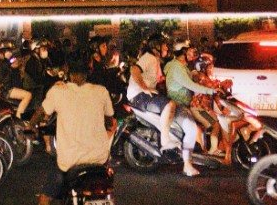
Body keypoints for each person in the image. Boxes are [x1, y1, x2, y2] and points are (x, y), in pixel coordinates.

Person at [30, 53, 115, 205]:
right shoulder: (101, 91)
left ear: (68, 70)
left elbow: (39, 114)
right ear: (89, 71)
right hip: (99, 159)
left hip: (69, 162)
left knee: (45, 197)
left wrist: (31, 126)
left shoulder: (58, 91)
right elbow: (109, 120)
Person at [163, 41, 220, 175]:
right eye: (189, 51)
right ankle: (187, 165)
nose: (191, 54)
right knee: (191, 129)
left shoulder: (180, 66)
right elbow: (190, 85)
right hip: (178, 105)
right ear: (183, 52)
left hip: (183, 104)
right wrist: (211, 91)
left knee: (199, 128)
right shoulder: (177, 68)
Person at [127, 34, 179, 155]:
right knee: (170, 105)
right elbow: (134, 70)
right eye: (164, 45)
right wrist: (145, 88)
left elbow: (158, 78)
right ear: (157, 46)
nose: (166, 48)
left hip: (141, 95)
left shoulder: (155, 60)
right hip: (139, 95)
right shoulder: (149, 57)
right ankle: (165, 141)